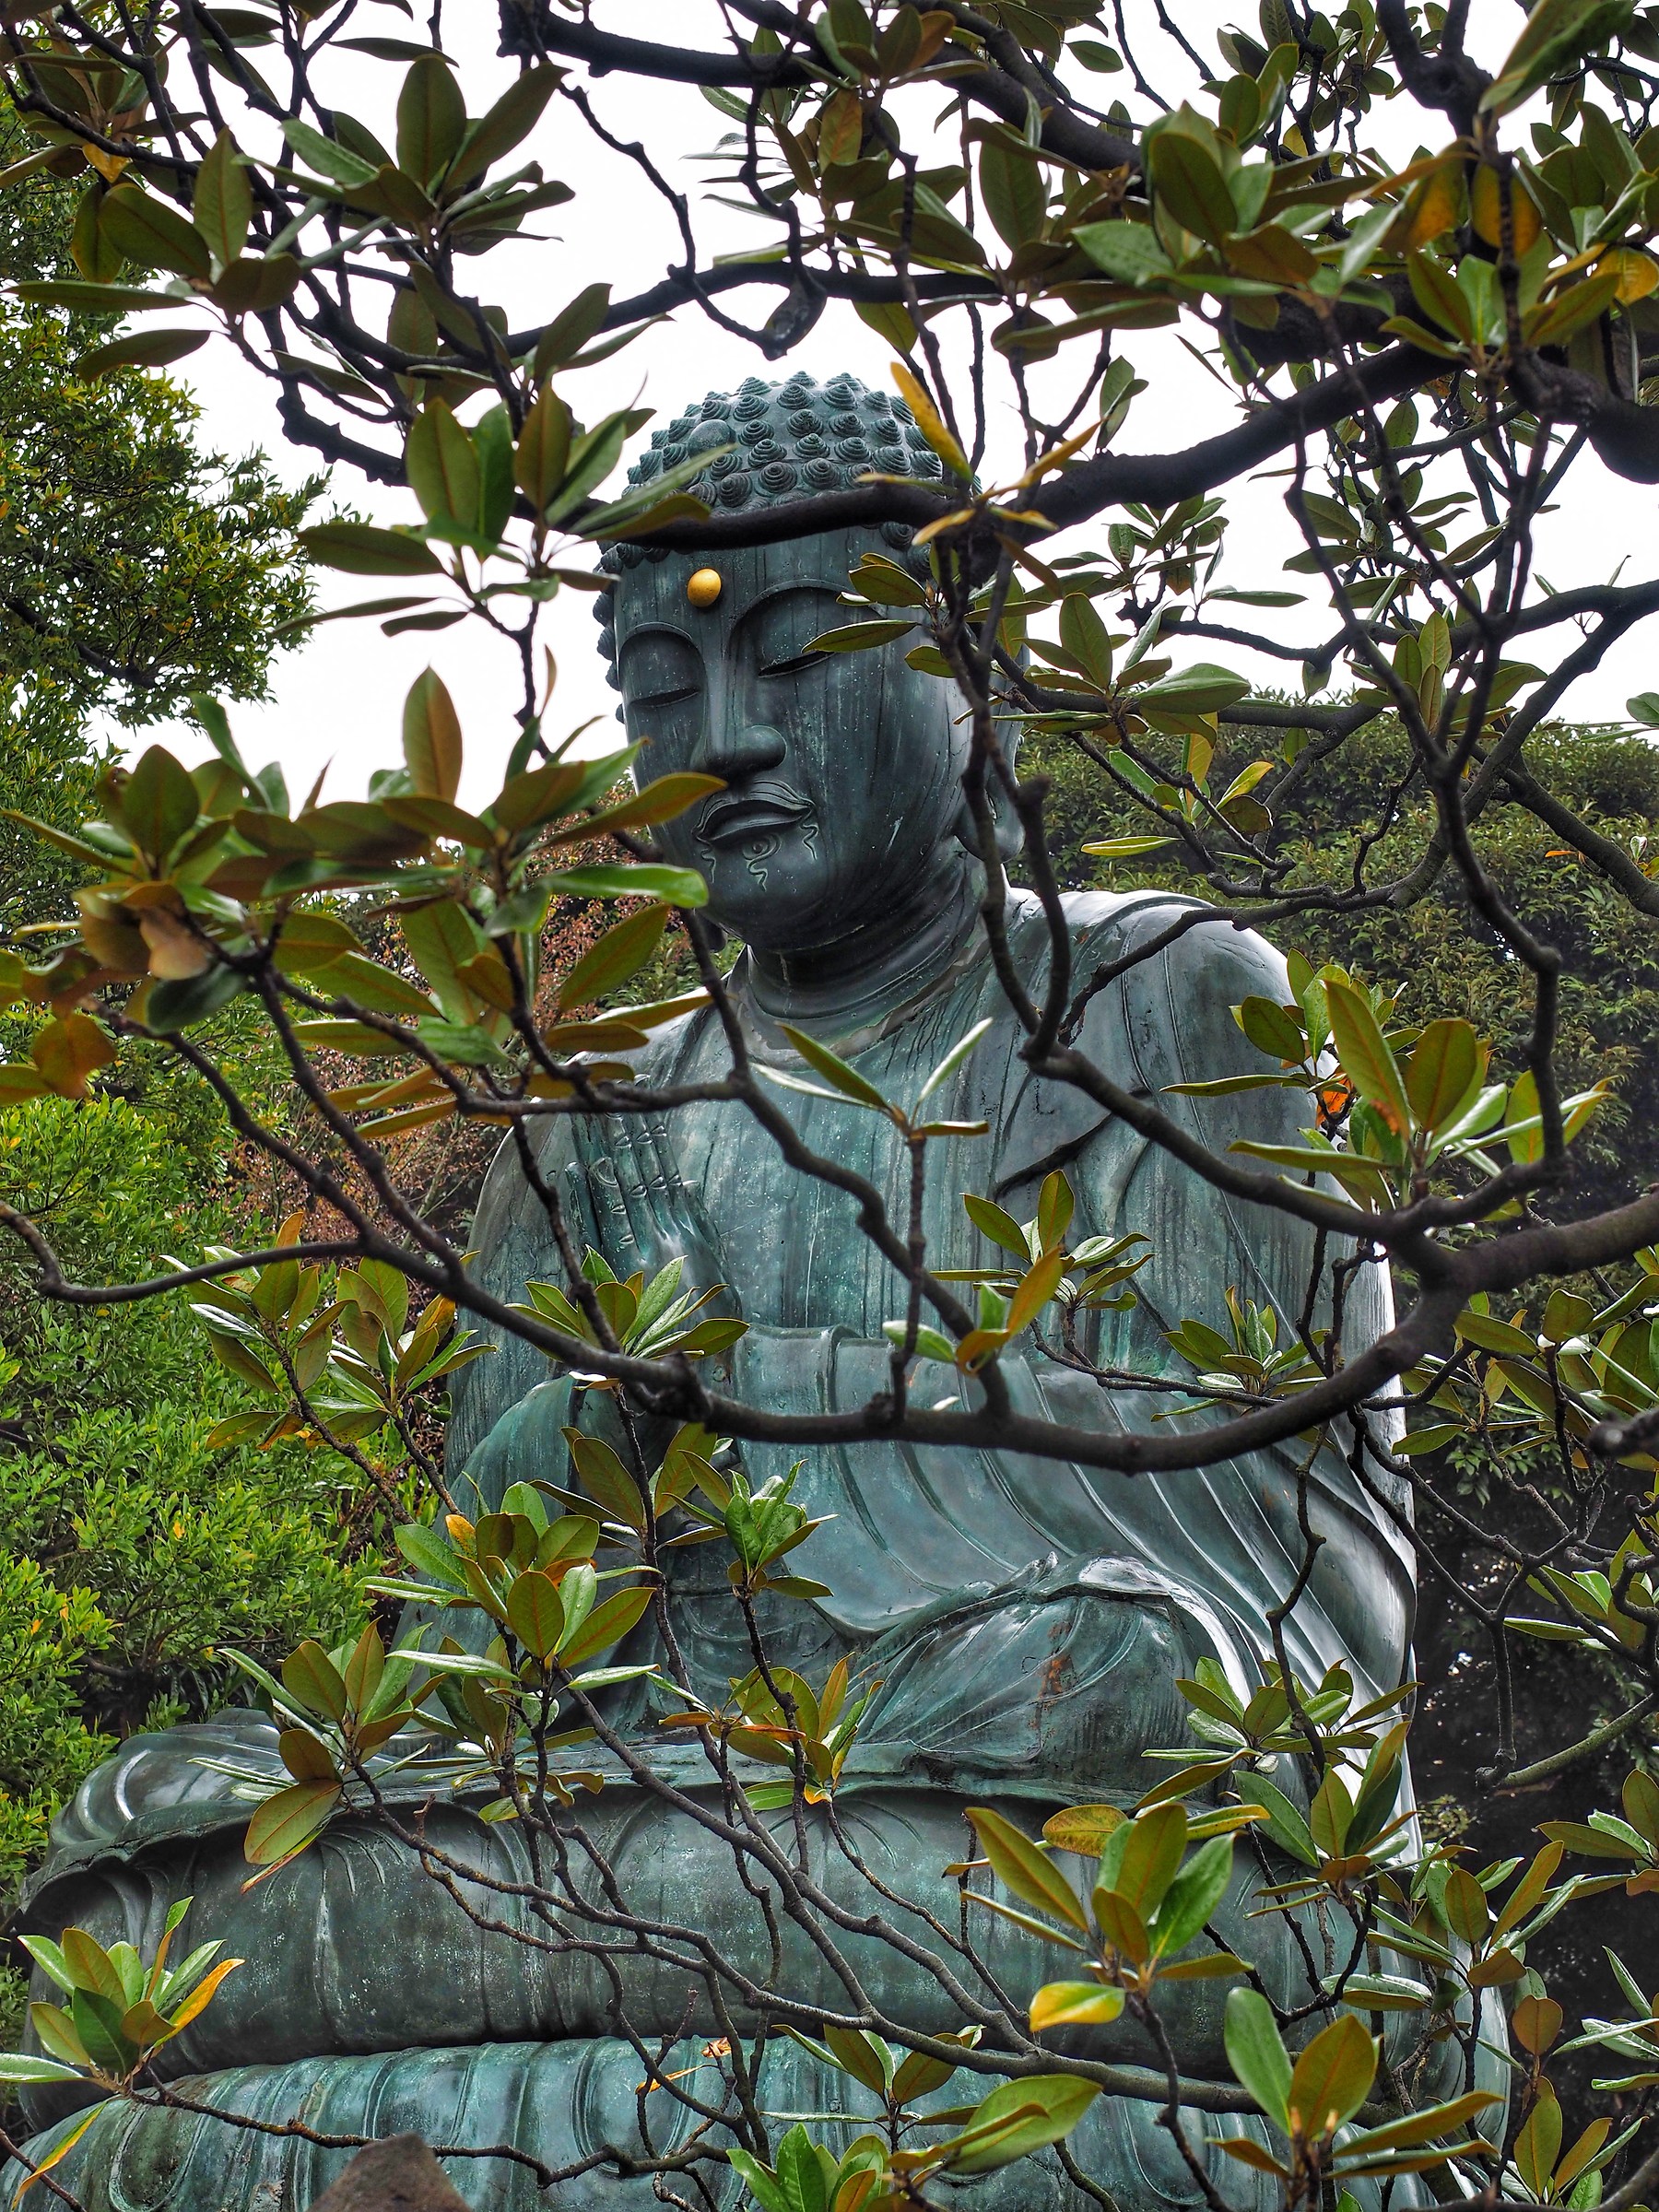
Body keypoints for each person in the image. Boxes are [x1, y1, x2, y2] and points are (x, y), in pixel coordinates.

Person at [2, 374, 1437, 2210]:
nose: (734, 739)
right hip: (670, 1801)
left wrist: (747, 1396)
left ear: (966, 672)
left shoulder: (1164, 1000)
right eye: (666, 691)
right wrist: (590, 1439)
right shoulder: (595, 1109)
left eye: (797, 654)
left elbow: (1313, 1580)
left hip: (1036, 1792)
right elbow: (492, 1625)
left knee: (1122, 1670)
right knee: (133, 1849)